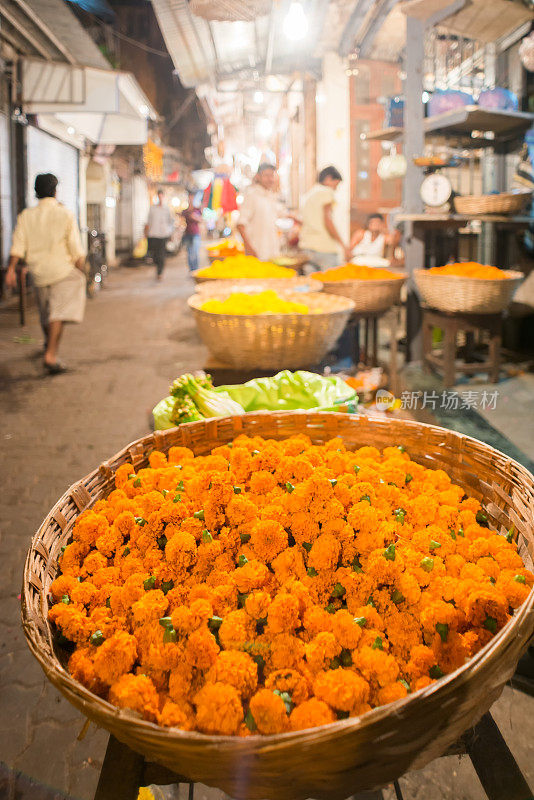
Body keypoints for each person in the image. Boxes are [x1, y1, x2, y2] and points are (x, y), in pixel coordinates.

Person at [5, 173, 86, 375]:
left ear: (35, 192)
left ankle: (48, 345)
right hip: (61, 271)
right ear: (55, 191)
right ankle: (50, 355)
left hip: (38, 273)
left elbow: (18, 245)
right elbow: (76, 249)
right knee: (57, 314)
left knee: (46, 314)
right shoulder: (65, 214)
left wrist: (10, 270)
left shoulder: (26, 216)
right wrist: (81, 268)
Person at [299, 166, 352, 270]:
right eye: (336, 185)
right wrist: (343, 245)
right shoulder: (326, 192)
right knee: (332, 282)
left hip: (306, 247)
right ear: (328, 179)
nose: (335, 189)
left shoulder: (309, 194)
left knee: (313, 283)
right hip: (323, 248)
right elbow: (328, 221)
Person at [236, 163, 287, 261]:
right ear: (258, 176)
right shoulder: (252, 195)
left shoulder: (270, 195)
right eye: (266, 176)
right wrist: (249, 249)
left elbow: (281, 213)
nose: (270, 179)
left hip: (272, 253)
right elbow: (240, 225)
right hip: (257, 253)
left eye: (272, 176)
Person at [144, 189, 174, 280]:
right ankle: (158, 267)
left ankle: (159, 272)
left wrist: (170, 233)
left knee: (161, 254)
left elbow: (170, 222)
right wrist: (146, 233)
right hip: (153, 234)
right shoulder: (152, 208)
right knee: (155, 254)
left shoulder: (167, 209)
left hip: (163, 234)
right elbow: (148, 221)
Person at [181, 190, 202, 272]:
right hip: (187, 234)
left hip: (195, 234)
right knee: (189, 253)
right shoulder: (185, 211)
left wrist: (194, 217)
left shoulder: (197, 210)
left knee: (195, 253)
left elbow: (201, 220)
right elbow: (181, 221)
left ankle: (196, 269)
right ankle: (191, 270)